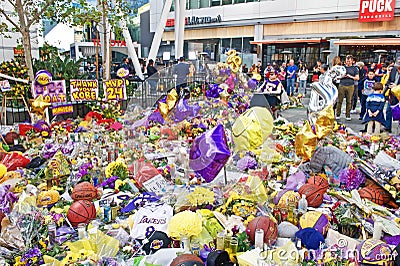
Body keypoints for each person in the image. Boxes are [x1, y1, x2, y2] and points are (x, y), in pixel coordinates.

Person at [336, 55, 359, 121]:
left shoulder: (355, 69)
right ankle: (338, 114)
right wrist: (342, 76)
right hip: (342, 84)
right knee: (339, 100)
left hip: (350, 85)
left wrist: (350, 76)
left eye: (349, 61)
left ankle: (348, 114)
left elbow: (357, 78)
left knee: (349, 101)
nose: (348, 62)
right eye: (347, 61)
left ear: (352, 61)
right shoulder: (342, 68)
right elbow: (337, 76)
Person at [384, 56, 400, 132]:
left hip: (399, 94)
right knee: (388, 110)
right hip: (392, 94)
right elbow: (389, 79)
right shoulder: (394, 69)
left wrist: (397, 86)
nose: (398, 69)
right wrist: (388, 85)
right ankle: (387, 127)